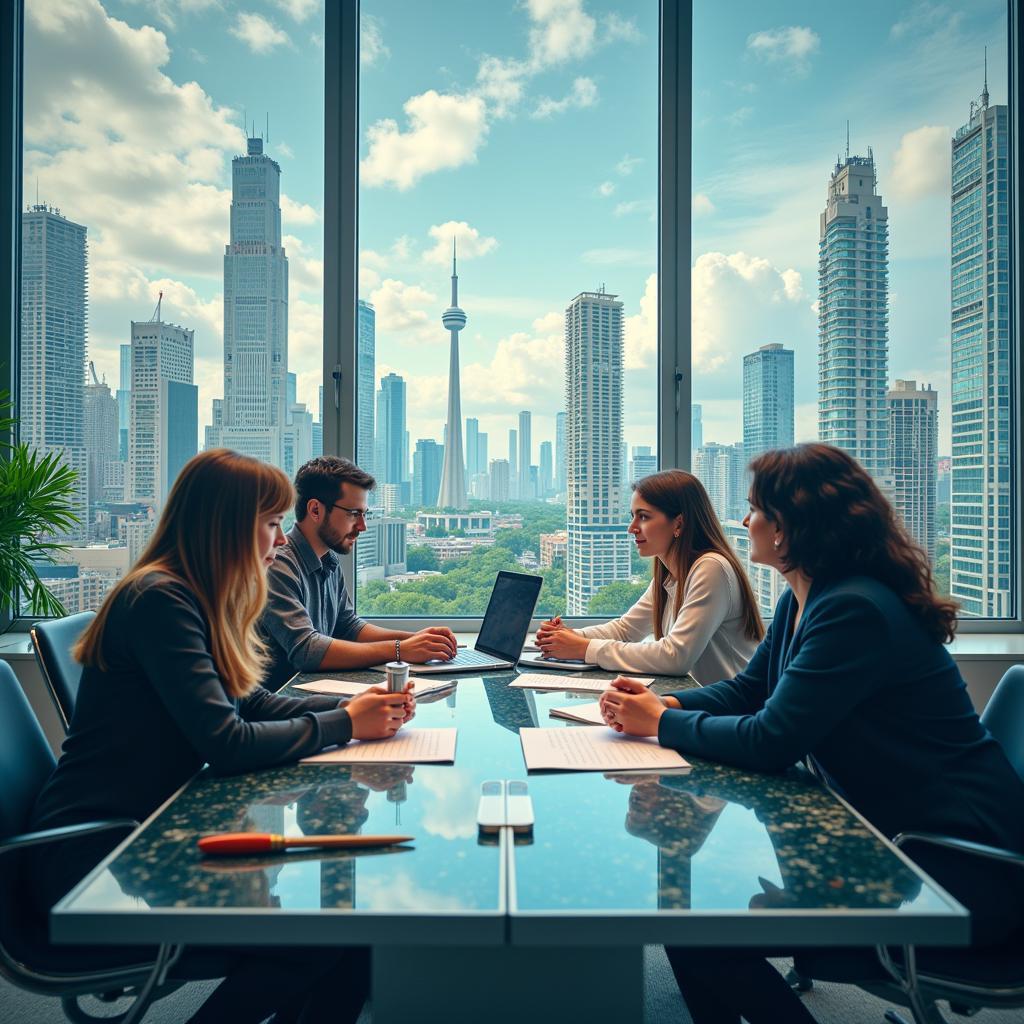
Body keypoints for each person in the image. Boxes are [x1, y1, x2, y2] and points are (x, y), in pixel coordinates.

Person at [599, 443, 1024, 1024]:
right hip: (888, 836)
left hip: (951, 874)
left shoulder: (856, 610)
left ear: (791, 525)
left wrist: (663, 721)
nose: (744, 522)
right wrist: (663, 701)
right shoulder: (809, 598)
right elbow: (751, 690)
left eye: (755, 510)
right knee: (691, 923)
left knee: (696, 930)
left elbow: (772, 738)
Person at [28, 449, 414, 1024]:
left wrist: (353, 708)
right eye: (271, 523)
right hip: (101, 857)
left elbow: (249, 701)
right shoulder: (159, 600)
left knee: (347, 939)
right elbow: (226, 743)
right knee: (330, 941)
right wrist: (343, 724)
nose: (280, 541)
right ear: (228, 526)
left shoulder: (194, 597)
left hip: (156, 824)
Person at [535, 469, 763, 681]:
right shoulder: (672, 573)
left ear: (679, 523)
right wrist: (570, 636)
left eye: (643, 517)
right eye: (633, 516)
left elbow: (675, 657)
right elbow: (625, 630)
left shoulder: (711, 568)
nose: (631, 527)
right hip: (701, 706)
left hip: (734, 715)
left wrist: (583, 648)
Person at [260, 456, 459, 691]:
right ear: (315, 510)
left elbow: (349, 627)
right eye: (353, 513)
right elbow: (307, 650)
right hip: (280, 709)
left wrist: (416, 640)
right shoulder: (277, 565)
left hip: (311, 698)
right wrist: (400, 649)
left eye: (364, 514)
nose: (362, 526)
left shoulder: (328, 560)